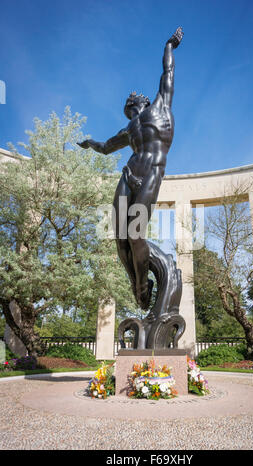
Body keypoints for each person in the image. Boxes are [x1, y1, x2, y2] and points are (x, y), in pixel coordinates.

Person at [78, 27, 184, 310]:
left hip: (152, 172)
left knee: (135, 233)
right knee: (119, 237)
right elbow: (105, 146)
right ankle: (137, 282)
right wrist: (90, 143)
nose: (131, 96)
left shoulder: (160, 107)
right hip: (128, 174)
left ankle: (142, 283)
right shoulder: (128, 130)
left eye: (134, 96)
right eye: (128, 98)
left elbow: (167, 74)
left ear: (143, 101)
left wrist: (169, 46)